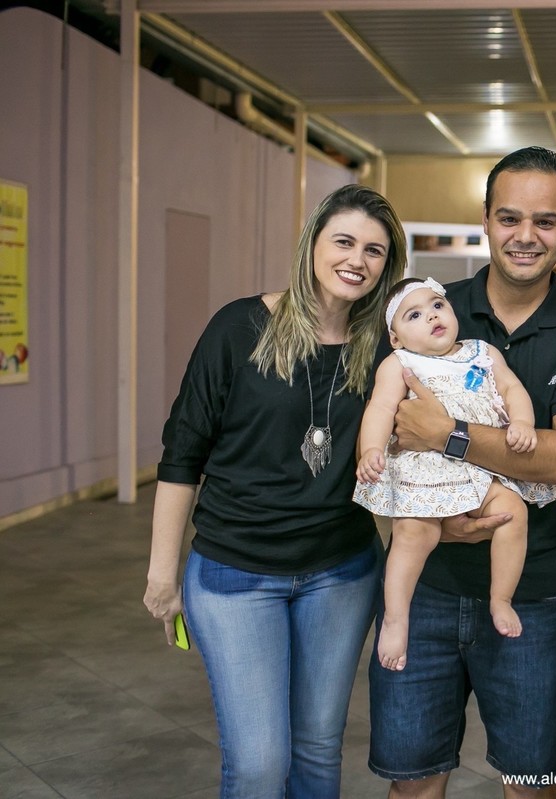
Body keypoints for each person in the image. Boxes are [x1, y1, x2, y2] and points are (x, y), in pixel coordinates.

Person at [367, 146, 556, 798]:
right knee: (412, 781)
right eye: (510, 218)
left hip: (534, 592)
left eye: (545, 220)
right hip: (424, 587)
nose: (526, 236)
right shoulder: (425, 311)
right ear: (485, 220)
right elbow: (375, 439)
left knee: (529, 785)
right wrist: (416, 520)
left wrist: (445, 433)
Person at [143, 185, 406, 797]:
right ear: (312, 243)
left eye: (374, 250)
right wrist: (162, 572)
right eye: (344, 241)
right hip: (236, 575)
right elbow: (183, 453)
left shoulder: (386, 350)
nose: (357, 260)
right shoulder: (240, 328)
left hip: (342, 571)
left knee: (317, 752)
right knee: (260, 763)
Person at [353, 276, 556, 671]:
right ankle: (397, 618)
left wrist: (521, 421)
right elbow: (380, 409)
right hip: (427, 468)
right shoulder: (399, 363)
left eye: (437, 305)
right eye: (414, 315)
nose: (431, 316)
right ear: (396, 338)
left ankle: (500, 598)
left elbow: (511, 388)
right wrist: (370, 449)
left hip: (484, 466)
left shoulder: (481, 352)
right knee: (414, 532)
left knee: (513, 512)